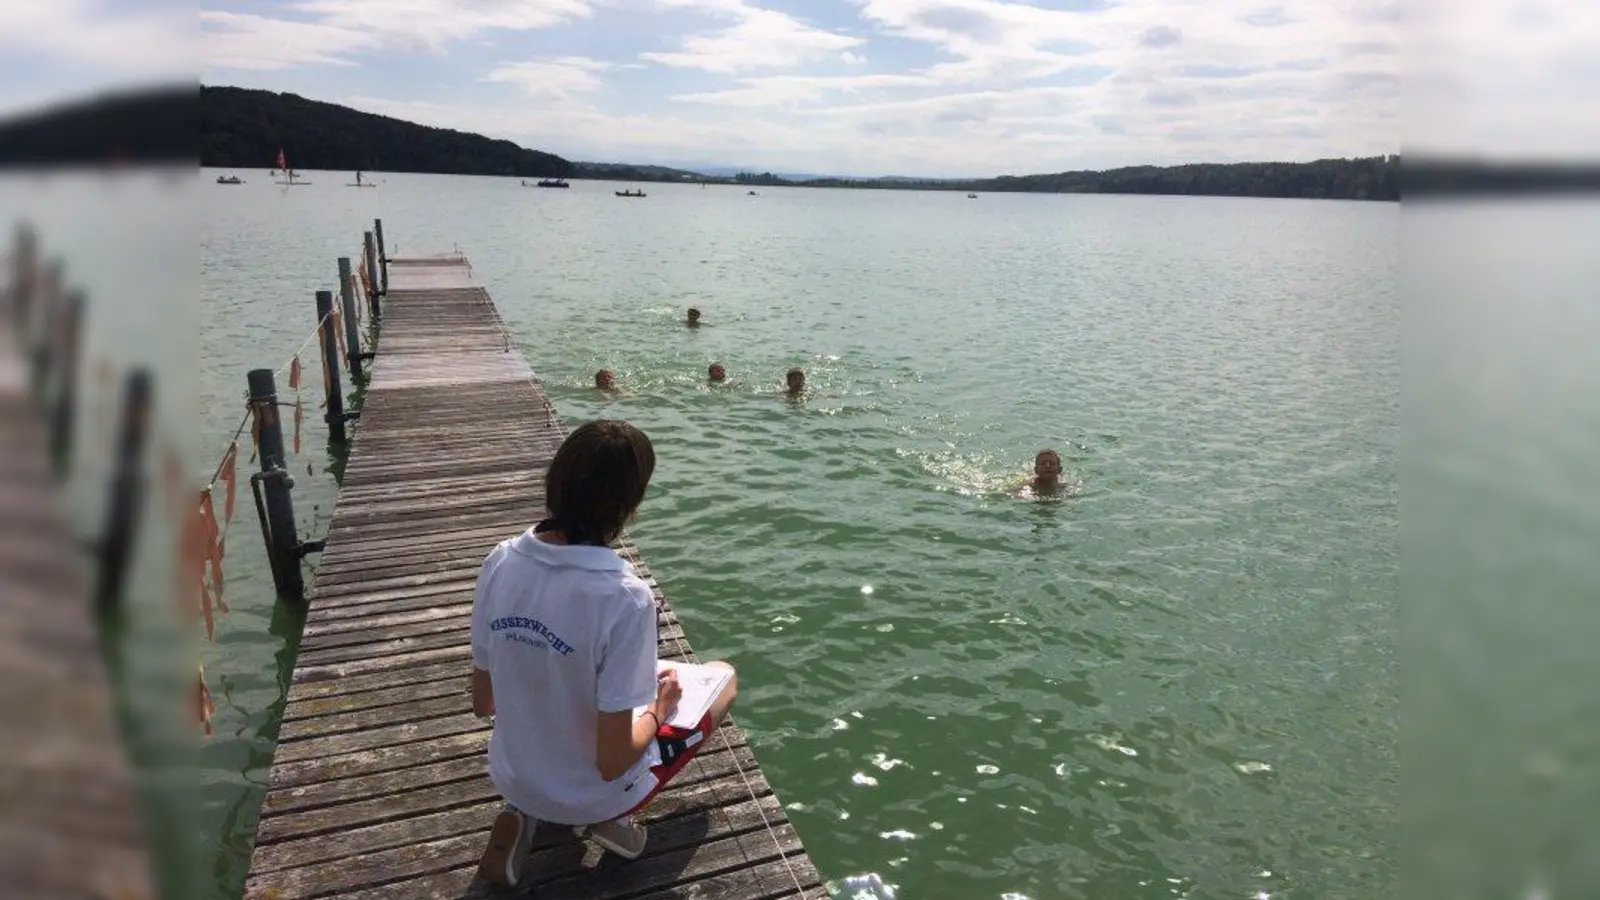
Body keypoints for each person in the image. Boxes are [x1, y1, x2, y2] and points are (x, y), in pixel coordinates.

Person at [471, 420, 739, 887]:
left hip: (513, 775)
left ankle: (525, 813)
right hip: (595, 790)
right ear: (629, 503)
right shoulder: (623, 597)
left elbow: (482, 702)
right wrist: (659, 711)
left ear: (555, 481)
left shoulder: (501, 560)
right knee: (722, 676)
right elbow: (613, 760)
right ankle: (611, 820)